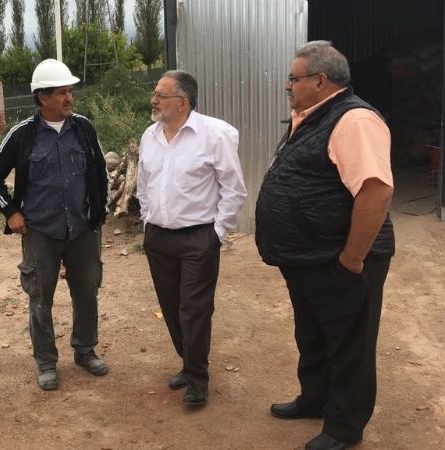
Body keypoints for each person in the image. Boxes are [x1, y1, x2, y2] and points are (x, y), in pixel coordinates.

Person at [255, 41, 394, 450]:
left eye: (294, 78)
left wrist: (352, 258)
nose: (287, 85)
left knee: (349, 343)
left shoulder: (354, 120)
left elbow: (375, 192)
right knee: (312, 334)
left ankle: (344, 427)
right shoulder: (313, 116)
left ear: (320, 80)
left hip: (340, 259)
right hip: (308, 258)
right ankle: (314, 399)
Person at [0, 59, 109, 391]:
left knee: (87, 292)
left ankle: (85, 350)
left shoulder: (83, 128)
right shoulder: (23, 135)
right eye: (62, 92)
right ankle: (47, 362)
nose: (69, 98)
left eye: (70, 91)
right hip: (41, 232)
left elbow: (100, 173)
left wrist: (100, 213)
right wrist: (10, 211)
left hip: (82, 229)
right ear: (42, 97)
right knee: (40, 298)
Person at [136, 70, 247, 406]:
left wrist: (216, 233)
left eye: (161, 94)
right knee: (171, 307)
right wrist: (146, 222)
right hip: (158, 238)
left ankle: (198, 379)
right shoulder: (149, 136)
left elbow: (233, 188)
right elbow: (143, 185)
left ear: (182, 103)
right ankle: (188, 362)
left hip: (198, 238)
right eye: (155, 93)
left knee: (194, 310)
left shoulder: (216, 134)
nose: (153, 100)